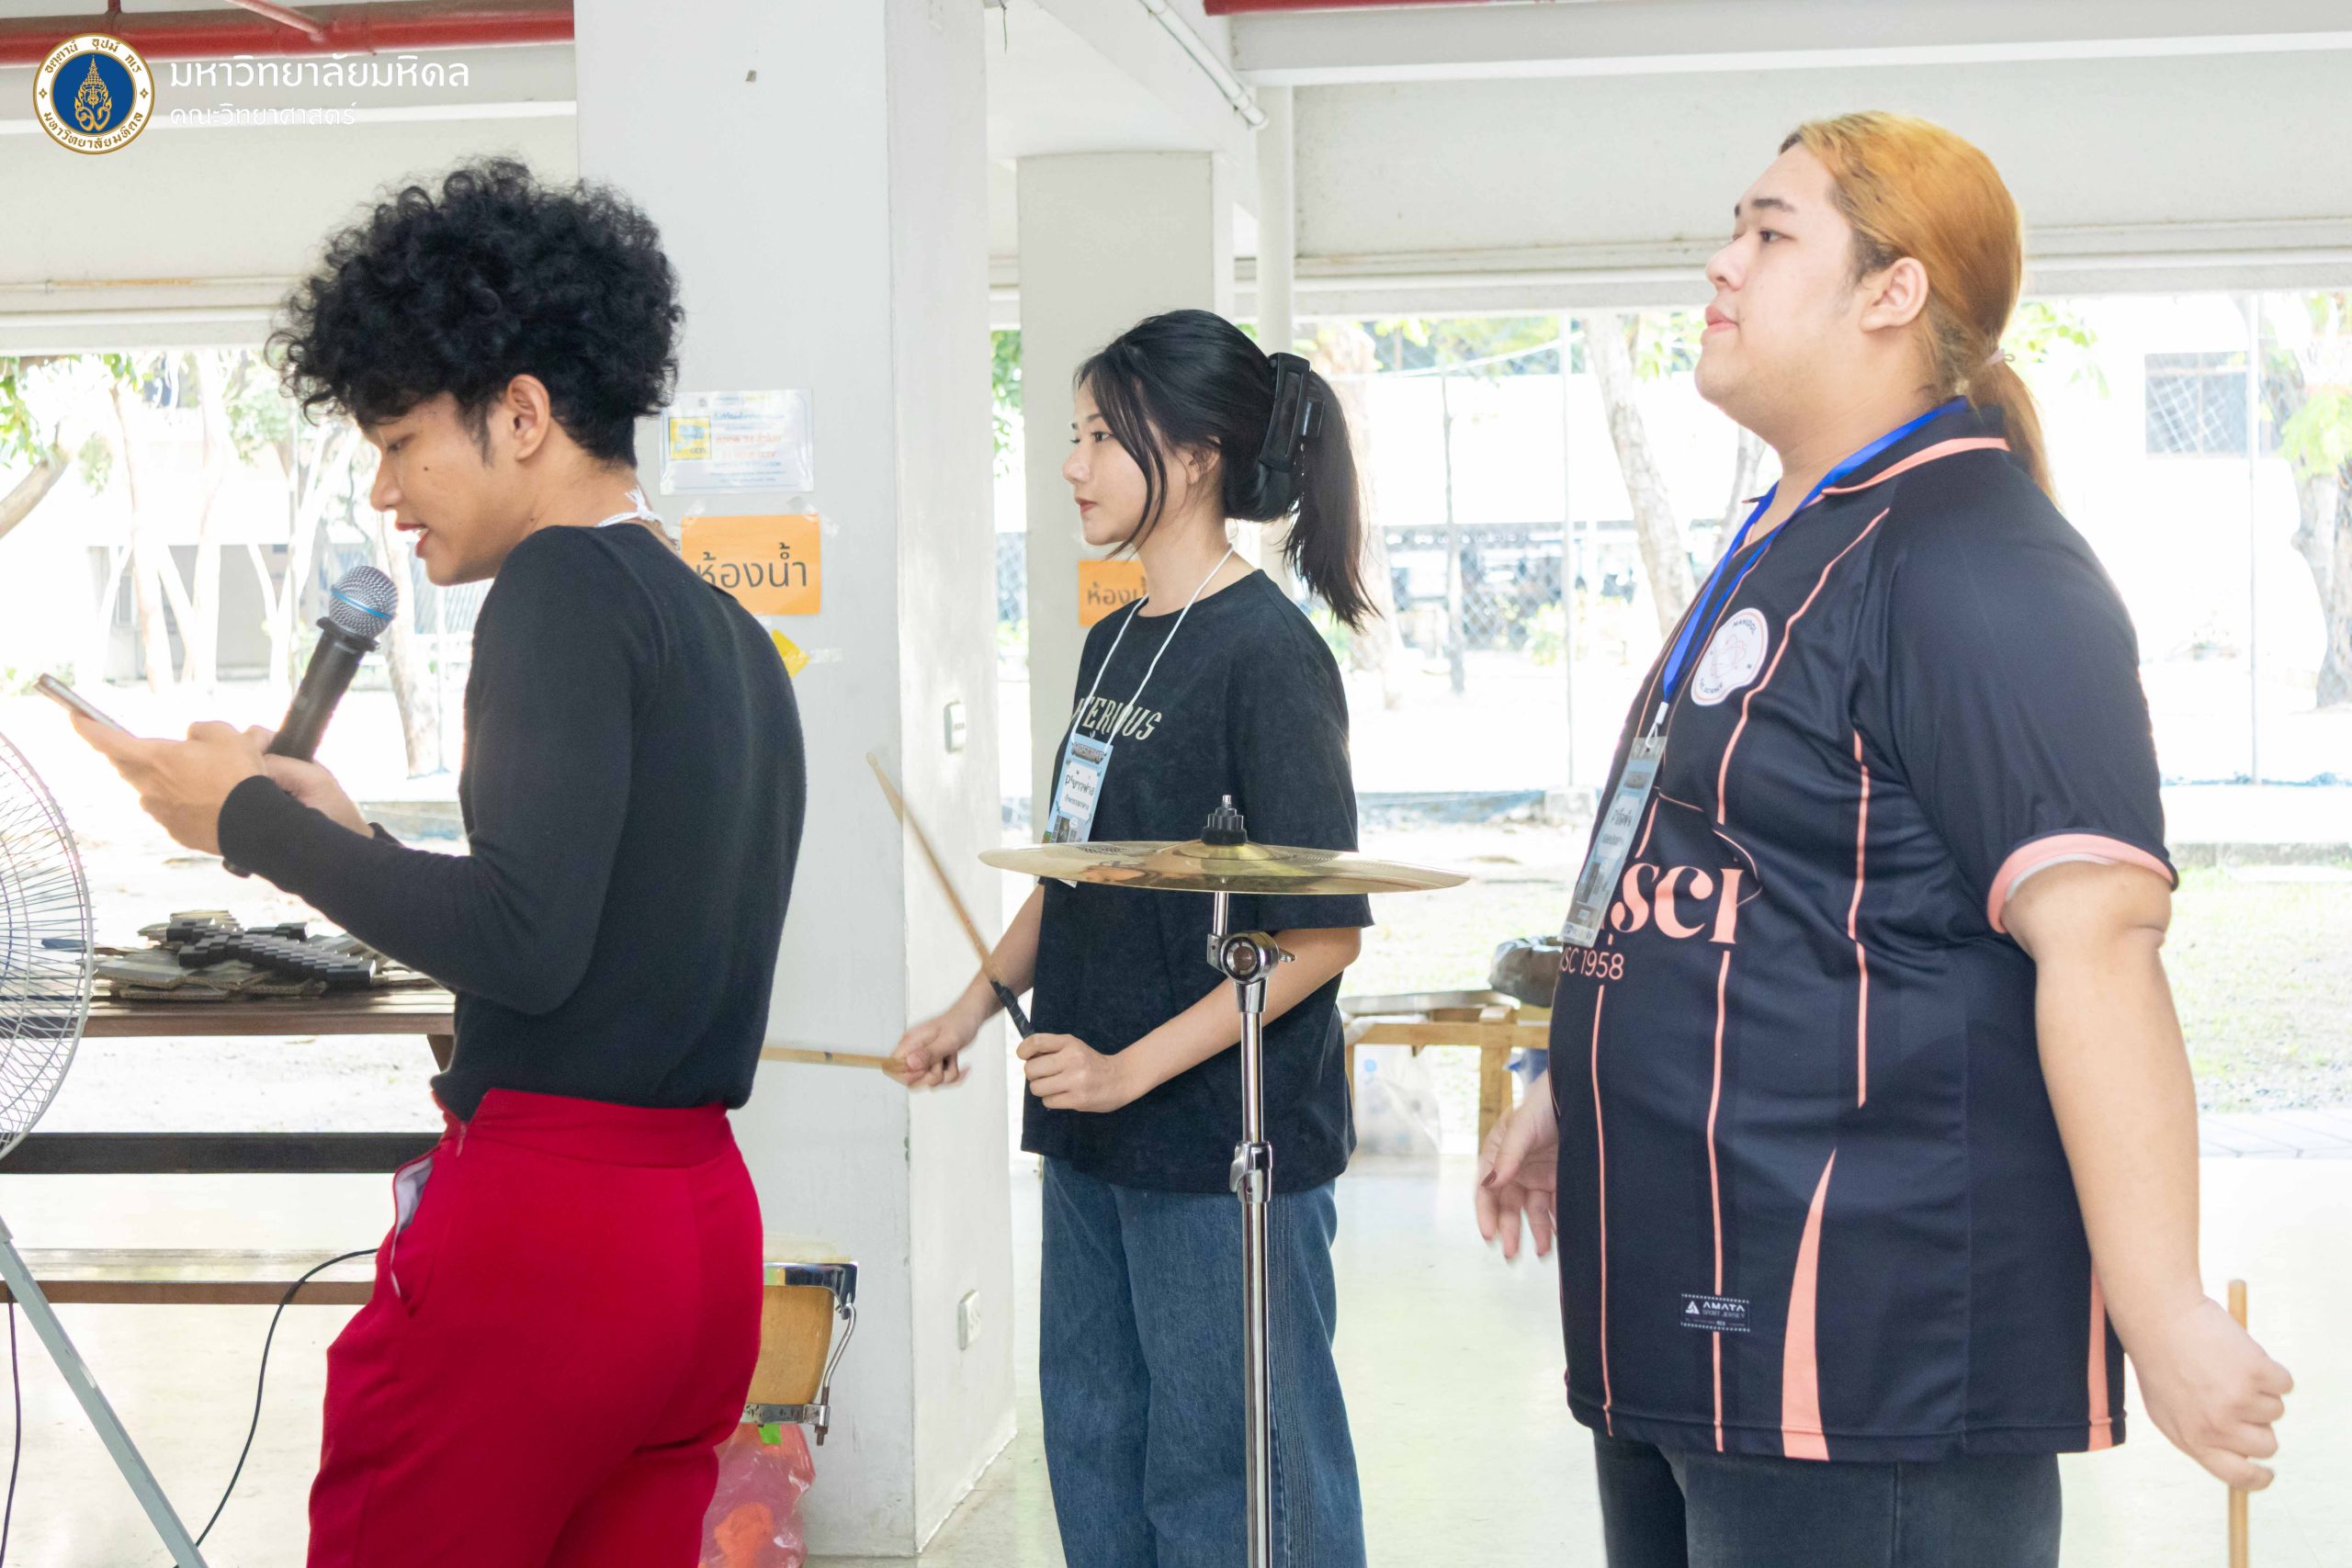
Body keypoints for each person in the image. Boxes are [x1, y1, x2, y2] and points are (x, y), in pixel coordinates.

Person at [1474, 113, 2293, 1568]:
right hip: (1680, 1308)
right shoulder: (1787, 538)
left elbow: (2100, 941)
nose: (1721, 264)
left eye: (1770, 231)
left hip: (1860, 1360)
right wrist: (1574, 1074)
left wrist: (2161, 1304)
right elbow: (1695, 851)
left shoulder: (1971, 556)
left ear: (1893, 291)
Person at [77, 159, 806, 1566]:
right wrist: (353, 839)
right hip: (700, 1235)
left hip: (551, 1241)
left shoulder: (556, 586)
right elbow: (601, 908)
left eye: (404, 440)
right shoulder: (721, 629)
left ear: (520, 416)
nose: (385, 490)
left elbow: (526, 942)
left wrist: (246, 821)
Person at [893, 309, 1374, 1568]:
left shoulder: (1268, 653)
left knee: (1236, 1477)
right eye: (1074, 435)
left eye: (1103, 437)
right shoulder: (1113, 642)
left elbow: (1321, 937)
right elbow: (1077, 874)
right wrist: (967, 1009)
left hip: (1221, 1140)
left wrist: (1129, 1069)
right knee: (1097, 1447)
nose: (1073, 465)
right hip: (1090, 1122)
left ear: (1199, 454)